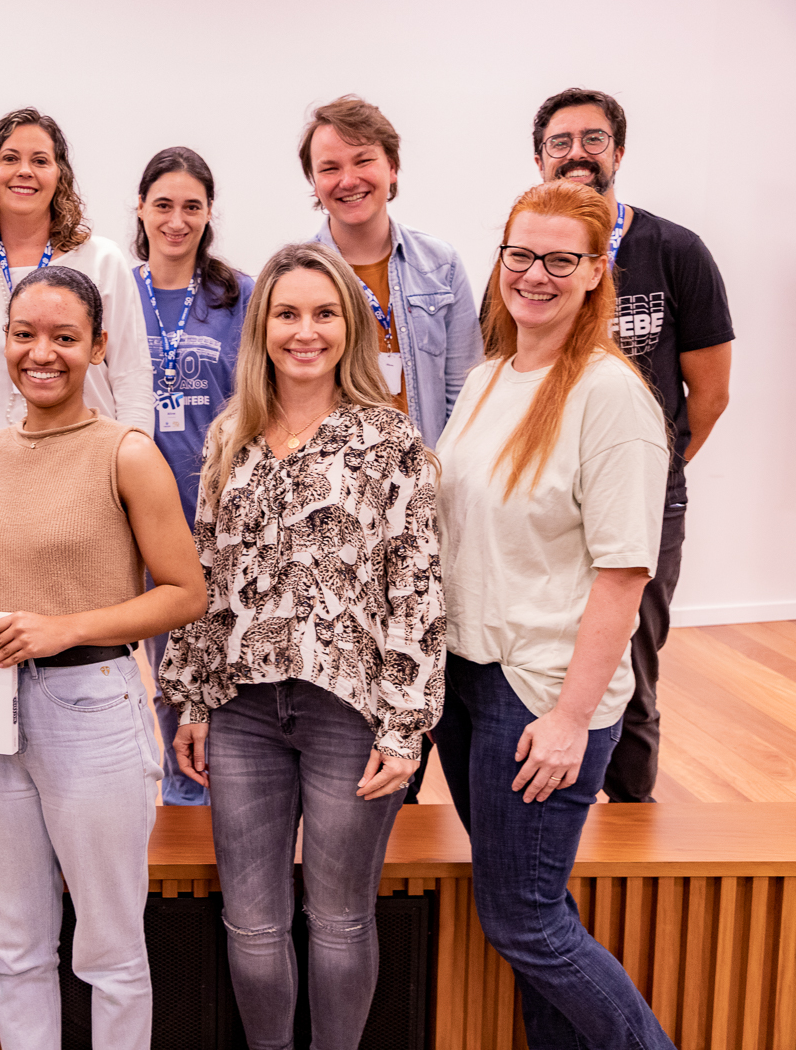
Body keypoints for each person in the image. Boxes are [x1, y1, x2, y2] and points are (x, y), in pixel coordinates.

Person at [0, 266, 206, 1050]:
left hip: (93, 706)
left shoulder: (126, 453)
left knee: (109, 951)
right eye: (25, 334)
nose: (43, 353)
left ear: (98, 346)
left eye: (65, 337)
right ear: (2, 342)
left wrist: (63, 628)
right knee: (16, 949)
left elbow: (185, 592)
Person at [159, 242, 443, 1050]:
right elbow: (206, 576)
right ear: (263, 327)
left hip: (348, 713)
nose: (305, 331)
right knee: (251, 925)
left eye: (324, 313)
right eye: (287, 313)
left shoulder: (390, 442)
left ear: (349, 326)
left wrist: (406, 724)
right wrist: (192, 698)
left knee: (342, 917)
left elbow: (416, 587)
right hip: (243, 710)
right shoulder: (231, 437)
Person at [433, 180, 674, 1048]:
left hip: (538, 693)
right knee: (529, 909)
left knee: (526, 919)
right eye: (520, 254)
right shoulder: (493, 376)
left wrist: (572, 719)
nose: (535, 274)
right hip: (466, 680)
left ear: (594, 270)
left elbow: (623, 574)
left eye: (559, 259)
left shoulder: (611, 397)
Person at [531, 87, 734, 804]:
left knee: (633, 666)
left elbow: (709, 394)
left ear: (618, 152)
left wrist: (652, 472)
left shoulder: (675, 250)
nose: (577, 152)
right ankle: (553, 815)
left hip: (647, 500)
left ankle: (629, 829)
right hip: (547, 497)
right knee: (550, 663)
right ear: (539, 158)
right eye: (561, 141)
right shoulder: (529, 257)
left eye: (593, 139)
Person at [300, 94, 481, 804]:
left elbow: (466, 392)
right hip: (341, 514)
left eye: (362, 160)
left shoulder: (441, 265)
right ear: (313, 181)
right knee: (357, 672)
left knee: (422, 656)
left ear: (393, 167)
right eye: (329, 166)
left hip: (428, 503)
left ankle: (407, 812)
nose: (348, 178)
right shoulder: (299, 270)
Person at [129, 146, 254, 807]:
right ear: (141, 210)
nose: (177, 220)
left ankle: (236, 804)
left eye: (192, 207)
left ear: (208, 215)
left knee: (226, 670)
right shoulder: (117, 293)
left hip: (223, 519)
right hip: (138, 519)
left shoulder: (240, 295)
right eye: (163, 205)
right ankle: (181, 805)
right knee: (165, 672)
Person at [0, 108, 153, 448]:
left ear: (59, 176)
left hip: (91, 465)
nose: (24, 171)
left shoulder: (101, 261)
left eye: (40, 160)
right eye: (10, 158)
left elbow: (132, 377)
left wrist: (133, 463)